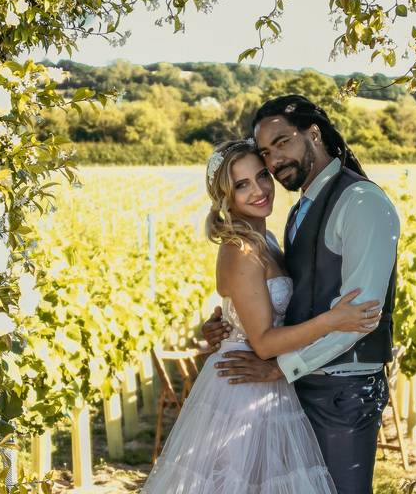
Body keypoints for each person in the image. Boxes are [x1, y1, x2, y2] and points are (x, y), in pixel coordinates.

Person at [142, 138, 380, 493]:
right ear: (226, 196)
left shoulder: (265, 237)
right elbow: (265, 343)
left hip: (267, 384)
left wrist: (225, 322)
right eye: (242, 185)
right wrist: (333, 320)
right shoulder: (240, 250)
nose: (259, 190)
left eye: (261, 176)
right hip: (242, 386)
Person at [203, 95, 401, 494]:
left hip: (339, 390)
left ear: (314, 133)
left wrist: (280, 368)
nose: (274, 162)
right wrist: (229, 321)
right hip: (297, 384)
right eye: (266, 153)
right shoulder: (297, 212)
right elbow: (286, 296)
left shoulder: (361, 202)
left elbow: (359, 317)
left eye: (283, 142)